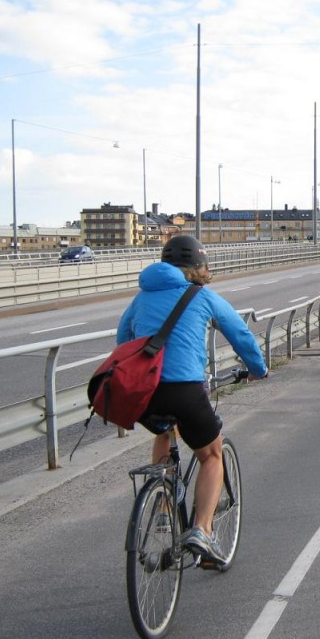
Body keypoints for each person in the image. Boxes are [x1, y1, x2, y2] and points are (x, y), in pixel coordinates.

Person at [117, 235, 268, 565]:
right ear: (195, 268)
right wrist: (258, 368)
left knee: (164, 431)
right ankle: (201, 529)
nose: (208, 269)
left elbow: (122, 341)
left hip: (146, 392)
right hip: (186, 390)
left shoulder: (140, 298)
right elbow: (239, 334)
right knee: (212, 455)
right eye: (205, 264)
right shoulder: (202, 296)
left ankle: (161, 504)